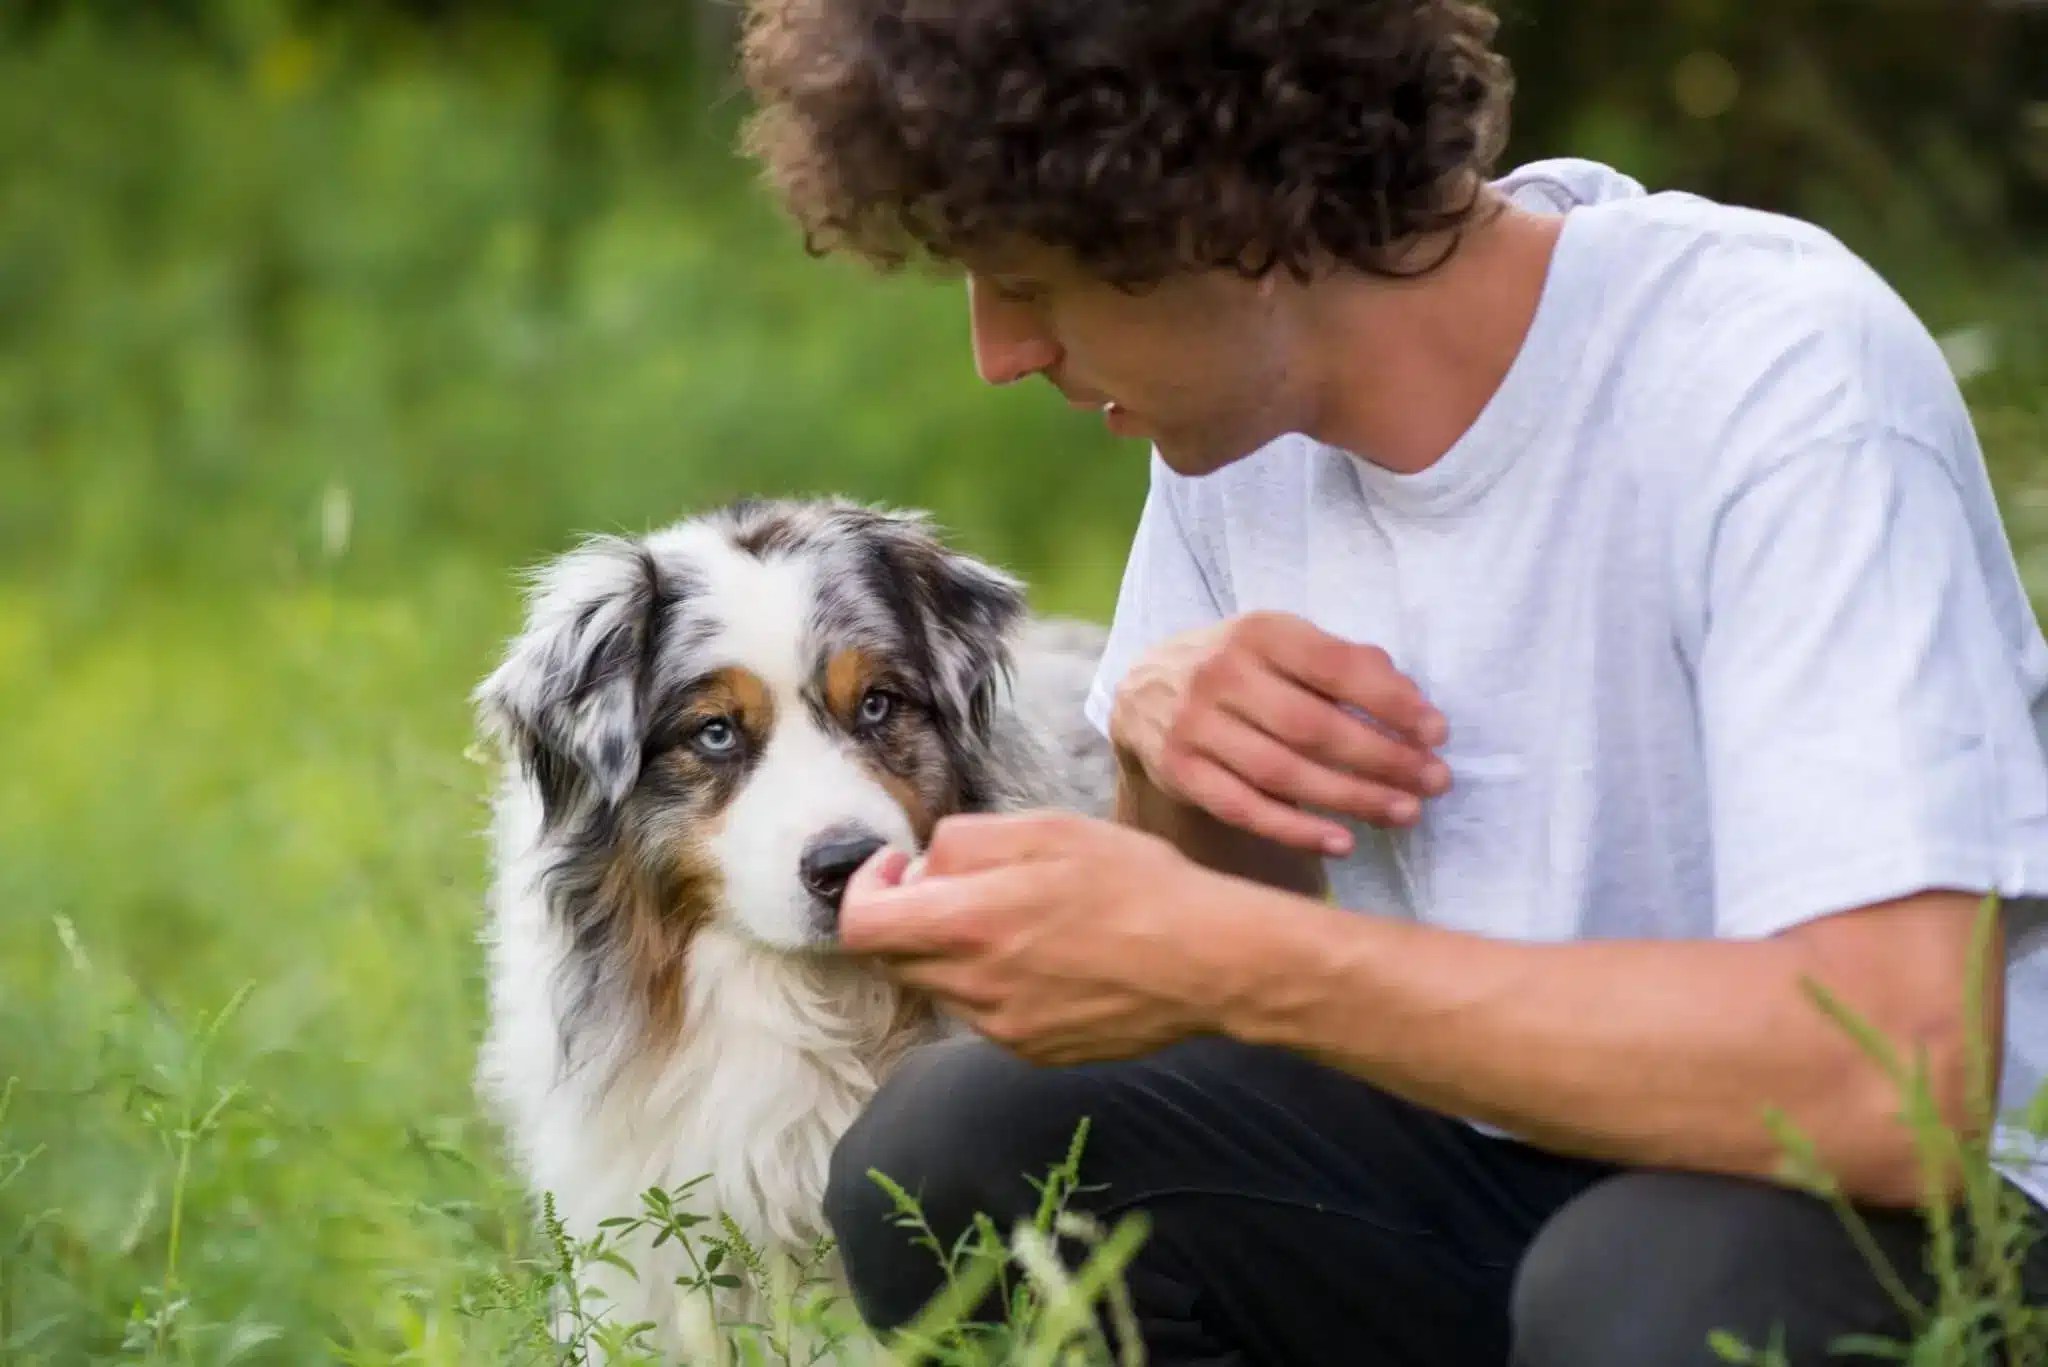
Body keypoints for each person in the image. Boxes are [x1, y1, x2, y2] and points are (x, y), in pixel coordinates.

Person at [737, 2, 2048, 1362]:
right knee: (958, 1147)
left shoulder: (1772, 369)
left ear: (1221, 211)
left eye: (1028, 280)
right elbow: (1205, 994)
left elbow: (1889, 1085)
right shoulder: (1237, 427)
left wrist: (1240, 958)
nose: (1000, 352)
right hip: (1487, 1165)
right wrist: (1168, 773)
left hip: (1881, 1210)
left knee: (1652, 1286)